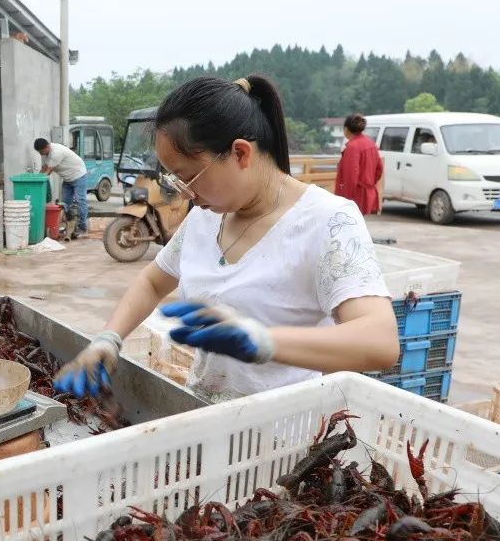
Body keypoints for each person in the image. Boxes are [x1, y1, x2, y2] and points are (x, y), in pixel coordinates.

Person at [54, 76, 399, 404]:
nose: (188, 194)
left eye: (191, 177)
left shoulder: (328, 221)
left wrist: (264, 341)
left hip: (284, 429)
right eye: (177, 180)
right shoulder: (206, 216)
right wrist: (108, 339)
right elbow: (152, 281)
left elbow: (379, 340)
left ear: (240, 153)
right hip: (207, 414)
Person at [35, 137, 89, 237]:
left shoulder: (56, 152)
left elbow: (48, 172)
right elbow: (43, 169)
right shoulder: (45, 154)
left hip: (79, 175)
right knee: (65, 203)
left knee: (81, 201)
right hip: (67, 178)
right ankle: (69, 227)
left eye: (41, 151)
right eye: (39, 152)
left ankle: (83, 228)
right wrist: (35, 178)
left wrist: (37, 183)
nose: (41, 154)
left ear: (47, 146)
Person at [336, 113, 384, 216]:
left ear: (346, 129)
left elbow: (350, 177)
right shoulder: (371, 144)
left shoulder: (352, 147)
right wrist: (369, 183)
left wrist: (346, 201)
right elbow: (379, 169)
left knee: (350, 226)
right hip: (367, 193)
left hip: (355, 196)